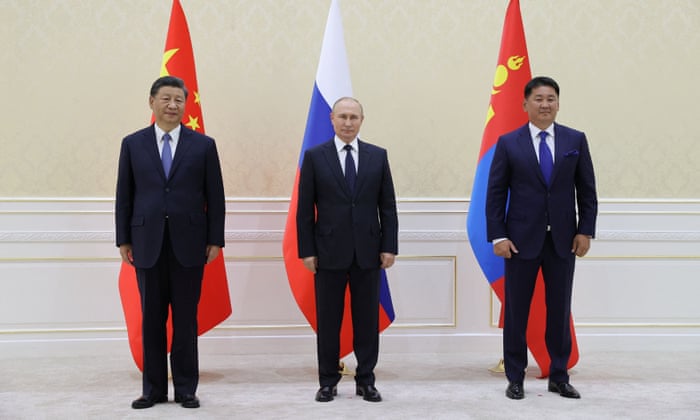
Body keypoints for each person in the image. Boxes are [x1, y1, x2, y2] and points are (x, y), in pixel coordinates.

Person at [115, 76, 226, 409]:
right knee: (151, 318)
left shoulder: (203, 145)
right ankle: (153, 389)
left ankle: (186, 388)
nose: (173, 105)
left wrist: (215, 240)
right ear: (151, 102)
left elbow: (215, 198)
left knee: (185, 319)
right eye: (166, 99)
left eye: (179, 100)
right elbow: (125, 195)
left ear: (185, 104)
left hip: (190, 244)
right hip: (146, 242)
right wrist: (123, 238)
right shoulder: (132, 144)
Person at [485, 76, 597, 400]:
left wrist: (585, 230)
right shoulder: (509, 142)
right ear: (525, 105)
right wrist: (498, 236)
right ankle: (515, 377)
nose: (545, 104)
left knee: (559, 310)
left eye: (551, 99)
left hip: (563, 241)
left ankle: (559, 376)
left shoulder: (575, 140)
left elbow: (587, 192)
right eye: (538, 99)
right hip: (519, 241)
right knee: (517, 311)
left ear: (558, 103)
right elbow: (494, 195)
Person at [296, 97, 399, 403]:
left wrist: (389, 246)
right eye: (342, 116)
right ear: (331, 119)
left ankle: (366, 380)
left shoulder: (377, 156)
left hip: (368, 252)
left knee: (367, 321)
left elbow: (388, 207)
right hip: (327, 252)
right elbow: (305, 210)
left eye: (354, 117)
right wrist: (307, 251)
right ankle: (327, 381)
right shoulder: (315, 157)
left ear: (362, 120)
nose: (348, 122)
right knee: (328, 321)